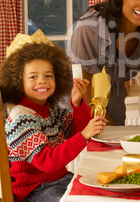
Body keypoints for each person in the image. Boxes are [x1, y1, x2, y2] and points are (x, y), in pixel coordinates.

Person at [0, 30, 106, 202]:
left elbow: (76, 129)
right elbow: (47, 161)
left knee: (95, 192)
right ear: (18, 82)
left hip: (56, 180)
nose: (42, 81)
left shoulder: (50, 110)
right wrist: (84, 134)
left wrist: (77, 102)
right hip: (33, 190)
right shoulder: (21, 117)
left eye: (48, 75)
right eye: (33, 76)